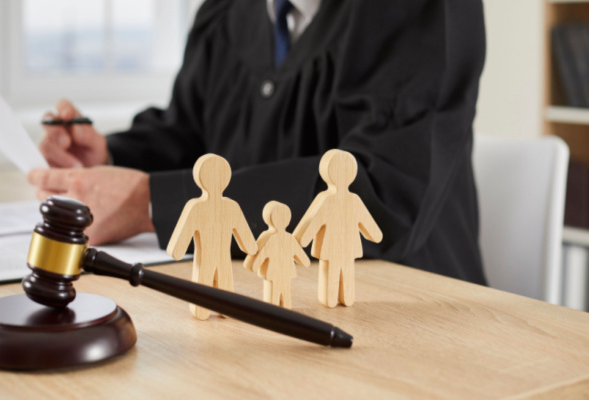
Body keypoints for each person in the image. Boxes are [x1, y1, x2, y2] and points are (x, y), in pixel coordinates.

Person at [28, 0, 488, 285]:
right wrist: (108, 155)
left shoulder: (420, 9)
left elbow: (380, 190)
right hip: (258, 294)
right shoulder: (228, 11)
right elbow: (192, 134)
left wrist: (148, 203)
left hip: (406, 309)